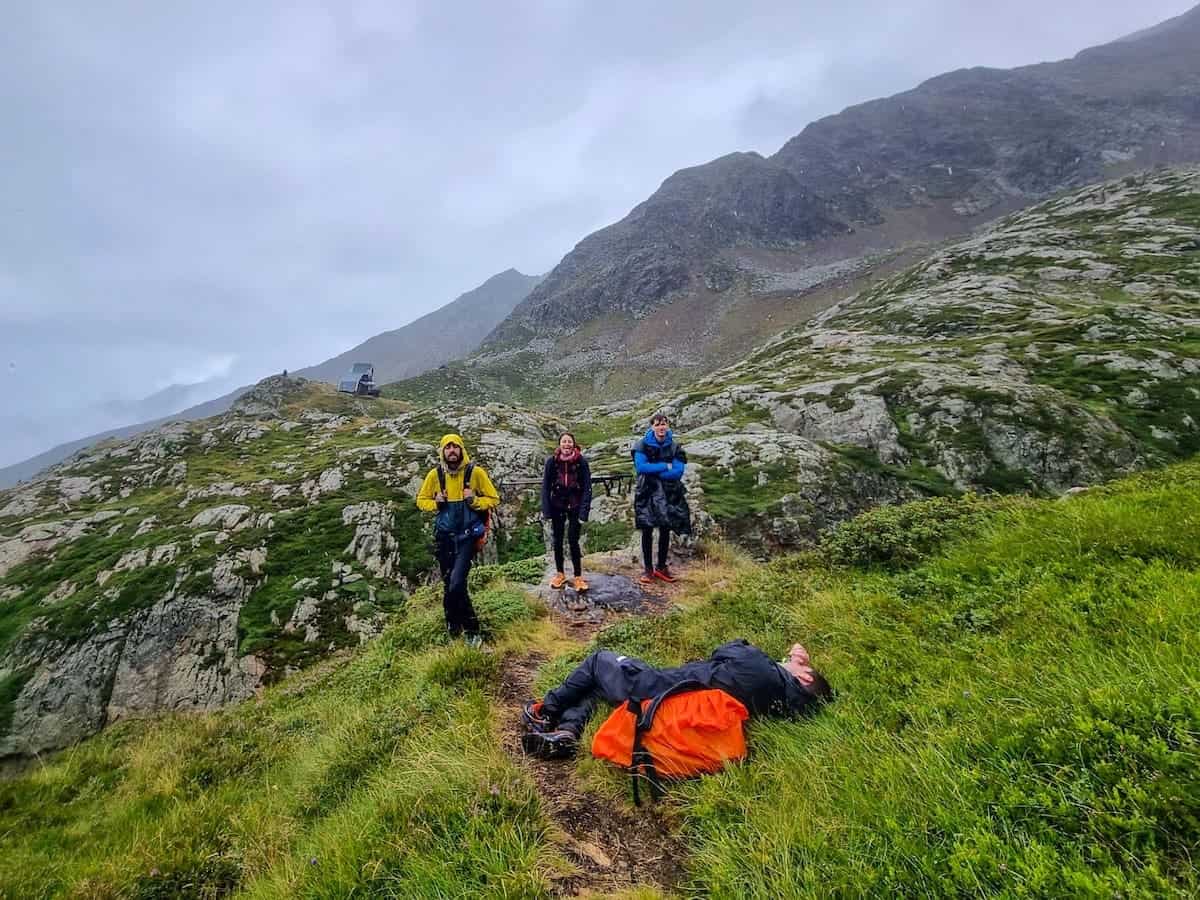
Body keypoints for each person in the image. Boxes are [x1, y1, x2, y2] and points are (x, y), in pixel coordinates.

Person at [521, 640, 831, 758]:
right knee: (599, 687)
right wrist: (793, 662)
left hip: (657, 688)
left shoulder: (761, 669)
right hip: (669, 704)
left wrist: (790, 658)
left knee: (599, 661)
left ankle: (546, 711)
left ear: (803, 677)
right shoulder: (780, 702)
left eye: (802, 666)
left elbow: (727, 649)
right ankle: (567, 731)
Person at [416, 433, 500, 645]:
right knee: (448, 584)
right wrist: (436, 503)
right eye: (447, 447)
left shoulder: (475, 473)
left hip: (467, 538)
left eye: (455, 447)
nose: (451, 450)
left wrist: (474, 501)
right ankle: (453, 625)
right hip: (444, 538)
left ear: (461, 450)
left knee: (456, 584)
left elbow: (494, 498)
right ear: (442, 452)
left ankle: (472, 629)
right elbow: (420, 500)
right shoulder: (435, 475)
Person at [632, 412, 691, 584]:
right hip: (647, 492)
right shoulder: (642, 445)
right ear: (652, 427)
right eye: (657, 424)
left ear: (668, 426)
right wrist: (665, 465)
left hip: (668, 492)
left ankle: (661, 567)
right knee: (647, 528)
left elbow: (678, 471)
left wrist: (655, 471)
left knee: (666, 527)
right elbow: (641, 467)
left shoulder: (675, 447)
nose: (661, 427)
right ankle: (648, 570)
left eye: (664, 424)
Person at [541, 432, 593, 592]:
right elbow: (545, 486)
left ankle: (577, 576)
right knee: (557, 540)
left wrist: (584, 512)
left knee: (573, 540)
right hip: (557, 504)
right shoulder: (552, 462)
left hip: (575, 505)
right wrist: (546, 510)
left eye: (569, 442)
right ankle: (560, 574)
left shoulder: (581, 461)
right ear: (559, 444)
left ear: (574, 444)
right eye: (564, 442)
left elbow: (587, 487)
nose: (566, 444)